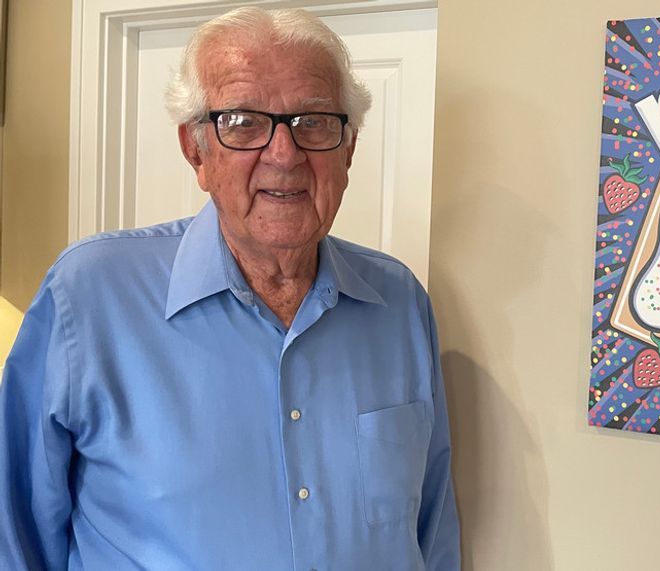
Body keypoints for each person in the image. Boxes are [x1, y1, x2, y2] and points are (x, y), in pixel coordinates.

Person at [0, 7, 460, 570]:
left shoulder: (400, 303)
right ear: (196, 151)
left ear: (349, 148)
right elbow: (15, 535)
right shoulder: (90, 297)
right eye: (242, 122)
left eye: (313, 121)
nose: (285, 155)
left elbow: (432, 532)